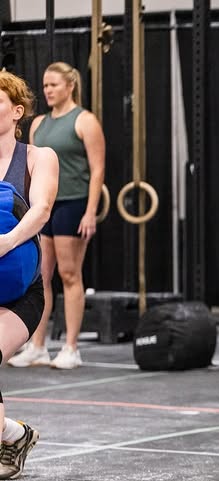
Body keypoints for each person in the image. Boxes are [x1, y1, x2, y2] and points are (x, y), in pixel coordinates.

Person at [7, 62, 104, 370]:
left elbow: (97, 168)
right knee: (42, 273)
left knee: (70, 274)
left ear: (70, 86)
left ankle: (71, 346)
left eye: (54, 85)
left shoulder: (85, 121)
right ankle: (37, 345)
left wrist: (90, 210)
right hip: (32, 206)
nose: (48, 90)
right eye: (45, 85)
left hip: (71, 203)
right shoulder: (40, 125)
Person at [0, 71, 59, 481]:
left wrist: (5, 241)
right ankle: (13, 434)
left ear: (16, 111)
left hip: (20, 292)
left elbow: (39, 211)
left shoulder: (39, 157)